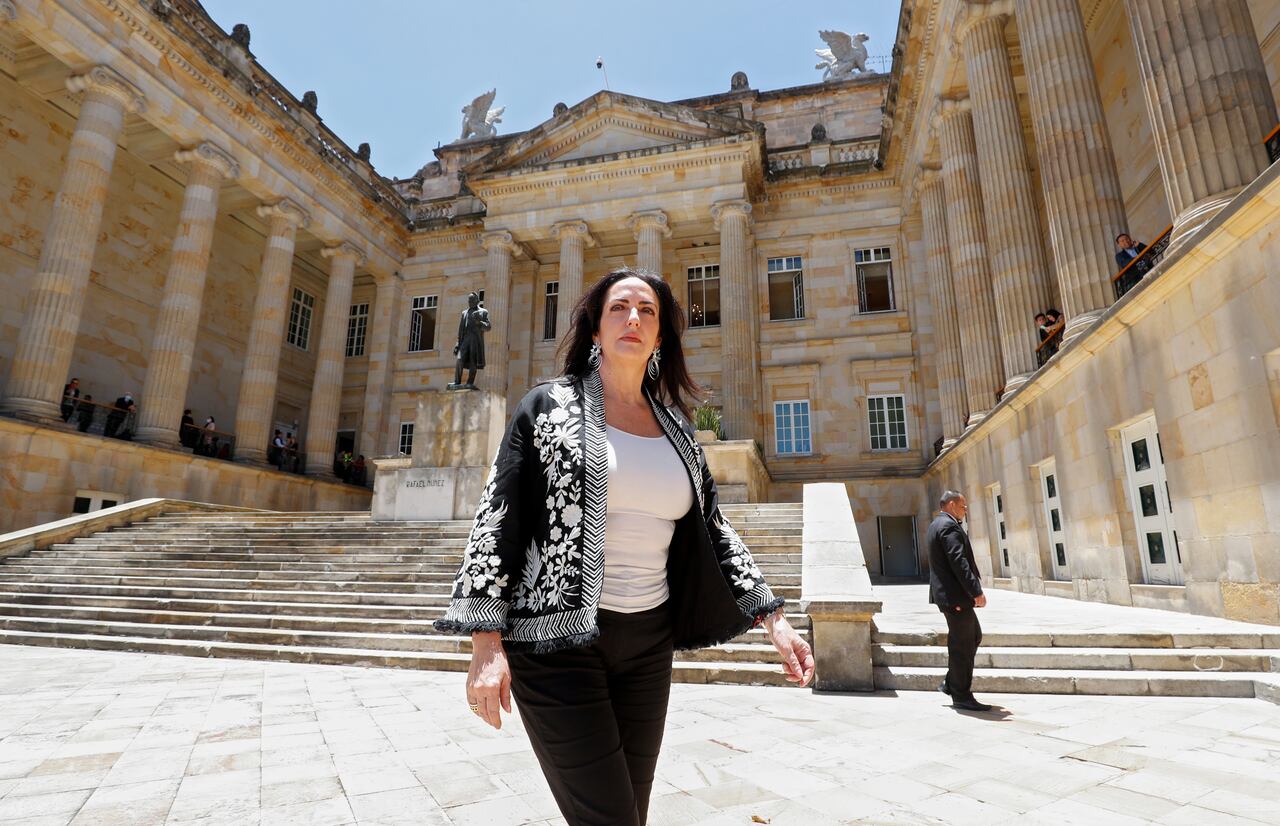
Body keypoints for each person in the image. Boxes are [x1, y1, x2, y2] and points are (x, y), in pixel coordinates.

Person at [436, 268, 813, 825]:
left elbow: (713, 527)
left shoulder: (678, 431)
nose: (633, 318)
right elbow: (498, 518)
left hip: (647, 645)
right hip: (555, 643)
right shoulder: (547, 409)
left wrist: (773, 619)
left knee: (627, 815)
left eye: (647, 311)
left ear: (659, 337)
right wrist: (485, 643)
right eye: (618, 308)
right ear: (594, 330)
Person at [927, 490, 992, 712]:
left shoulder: (938, 524)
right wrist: (976, 591)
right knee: (963, 645)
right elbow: (958, 561)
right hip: (955, 596)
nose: (965, 510)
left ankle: (951, 682)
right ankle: (961, 694)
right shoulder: (948, 526)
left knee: (973, 636)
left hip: (951, 596)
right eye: (964, 506)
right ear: (952, 504)